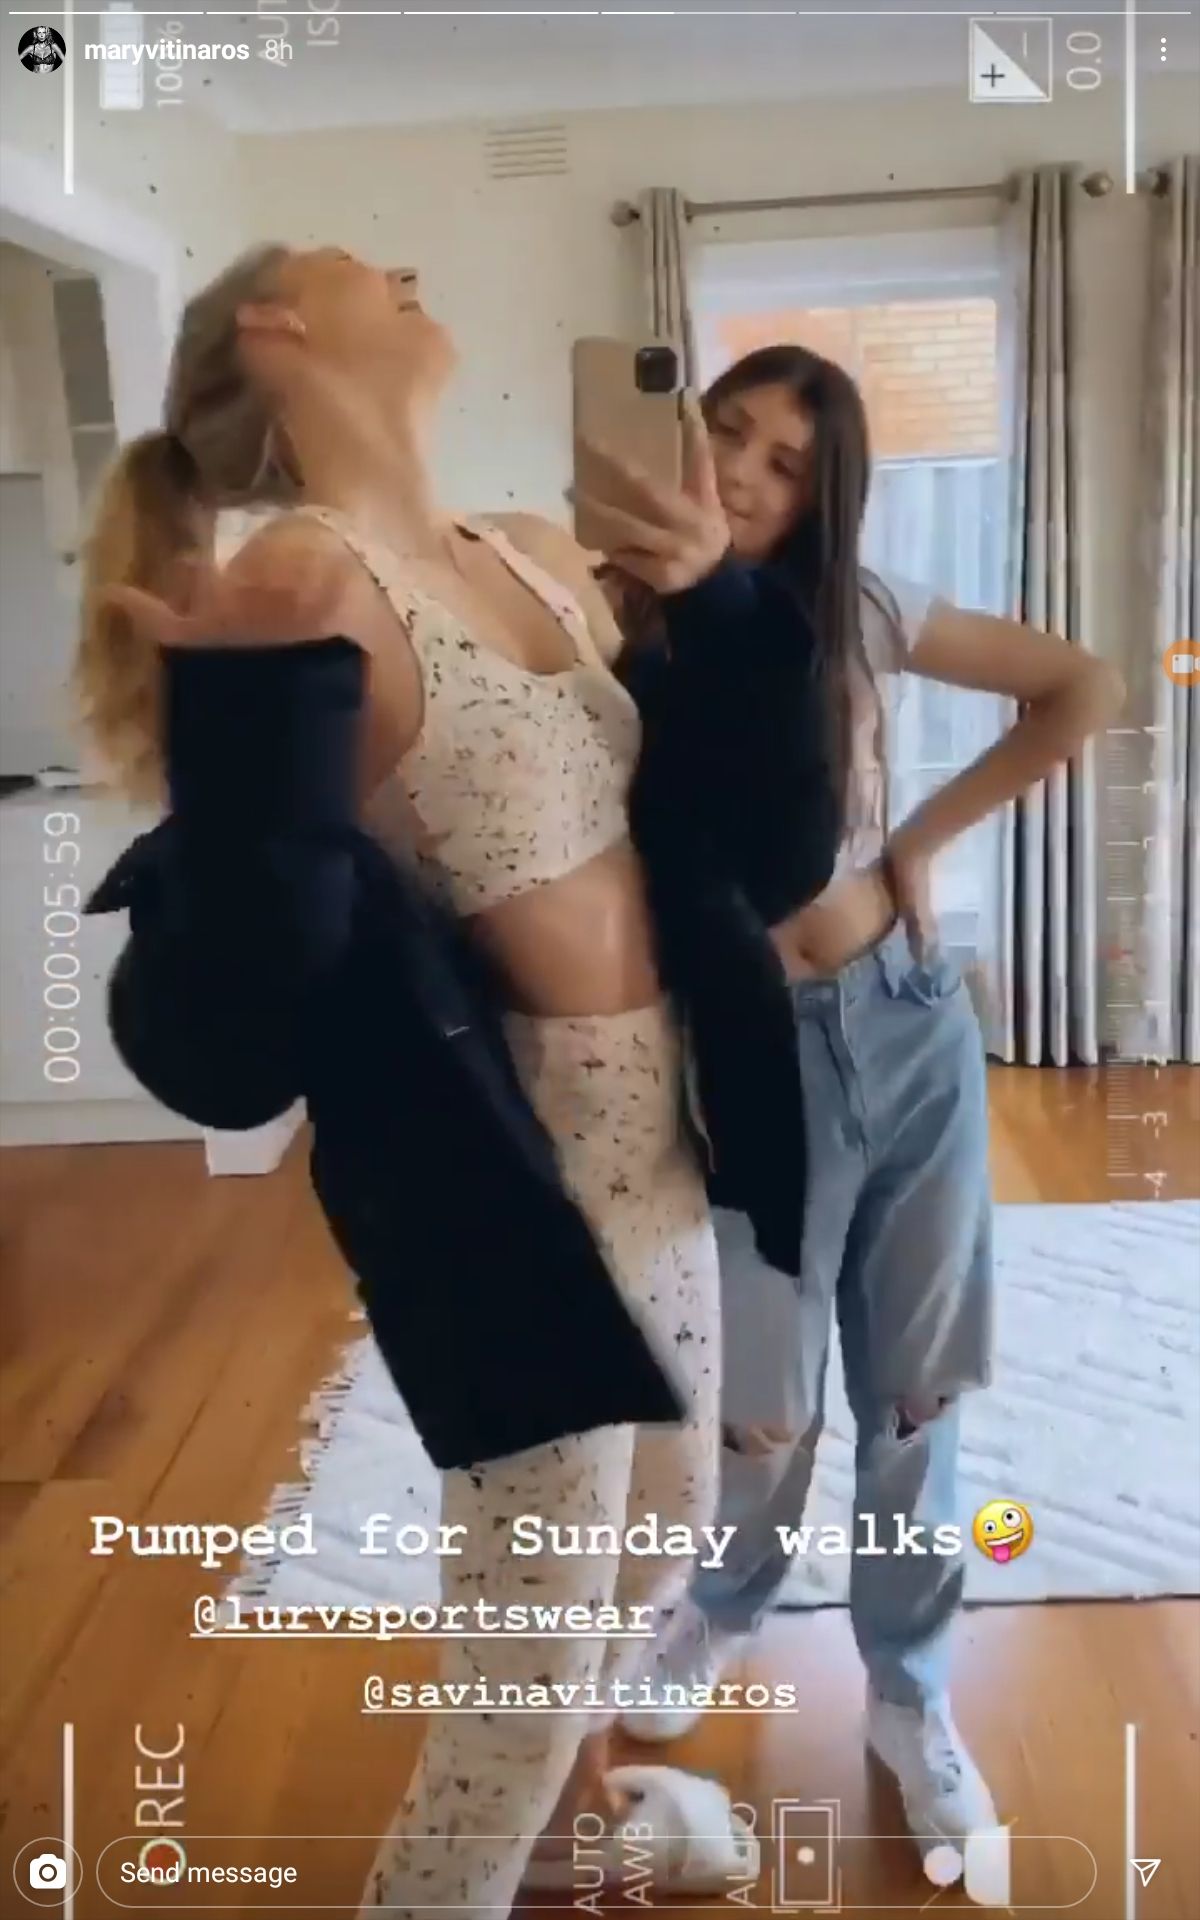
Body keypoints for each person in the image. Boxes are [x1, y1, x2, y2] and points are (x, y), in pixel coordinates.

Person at [74, 252, 841, 1914]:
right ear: (277, 327)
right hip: (512, 1165)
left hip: (666, 1124)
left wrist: (718, 605)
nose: (410, 273)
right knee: (527, 1660)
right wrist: (238, 750)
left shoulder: (530, 549)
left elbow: (761, 851)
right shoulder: (300, 581)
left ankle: (574, 1840)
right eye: (363, 266)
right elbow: (230, 1035)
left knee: (653, 1540)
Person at [581, 343, 1123, 1883]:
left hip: (906, 1020)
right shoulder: (606, 626)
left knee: (915, 1394)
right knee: (761, 1392)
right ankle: (722, 1608)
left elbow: (1083, 685)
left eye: (789, 464)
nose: (748, 476)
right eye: (730, 434)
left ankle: (908, 1689)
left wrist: (922, 844)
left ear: (828, 496)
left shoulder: (859, 609)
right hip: (749, 1049)